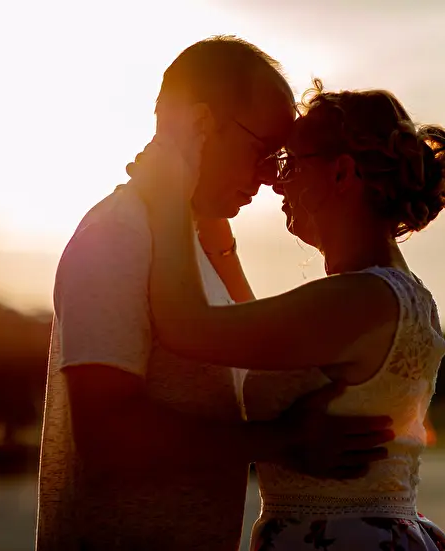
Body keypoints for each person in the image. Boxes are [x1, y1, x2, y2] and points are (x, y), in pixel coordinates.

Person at [35, 37, 394, 551]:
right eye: (264, 151)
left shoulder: (186, 246)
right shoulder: (119, 235)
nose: (273, 177)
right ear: (201, 125)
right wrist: (284, 441)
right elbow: (107, 435)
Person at [128, 78, 445, 550]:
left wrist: (169, 199)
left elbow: (187, 326)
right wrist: (214, 231)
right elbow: (256, 343)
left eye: (290, 162)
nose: (275, 181)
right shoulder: (387, 293)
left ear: (342, 173)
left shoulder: (358, 300)